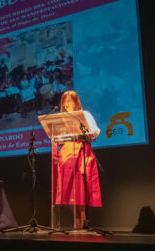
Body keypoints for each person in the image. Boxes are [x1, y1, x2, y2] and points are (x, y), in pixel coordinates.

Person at [52, 91, 102, 229]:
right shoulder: (60, 118)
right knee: (68, 189)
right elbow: (55, 136)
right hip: (66, 154)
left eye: (69, 101)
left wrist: (86, 132)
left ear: (76, 102)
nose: (66, 104)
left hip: (81, 152)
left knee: (79, 188)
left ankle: (82, 221)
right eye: (64, 102)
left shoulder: (84, 115)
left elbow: (95, 131)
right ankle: (75, 221)